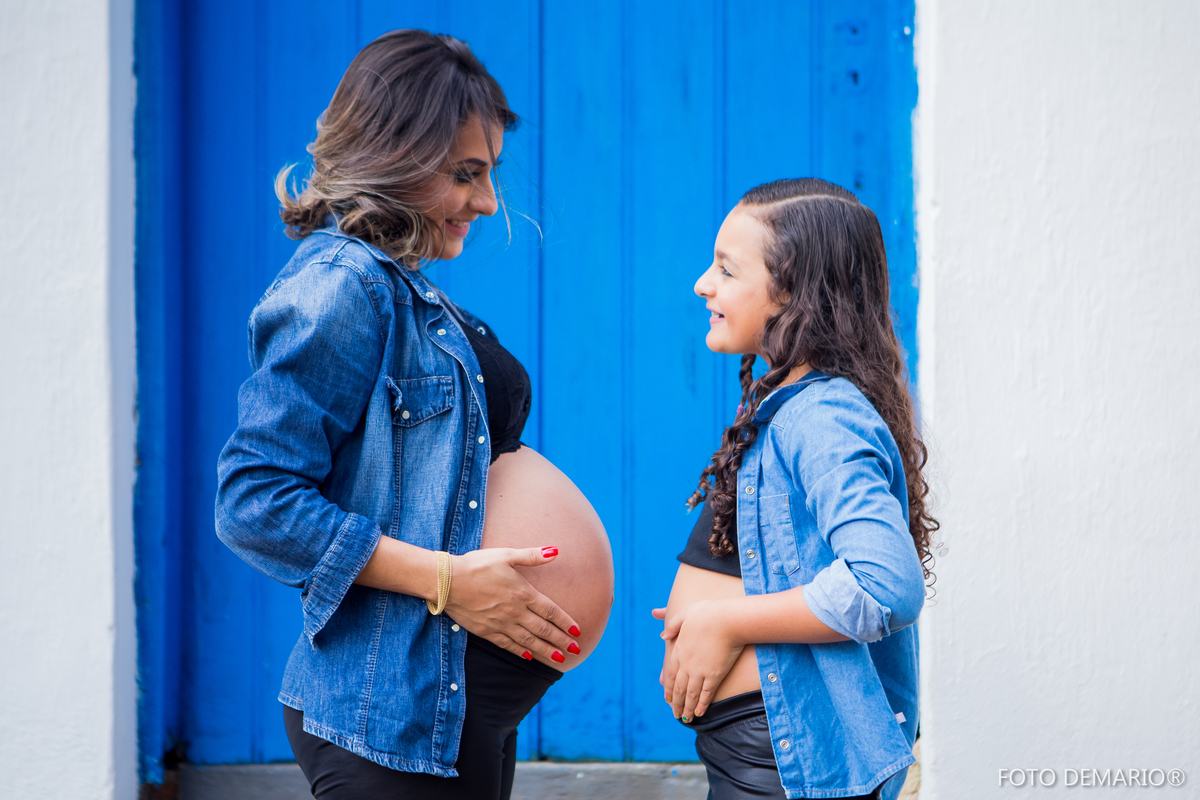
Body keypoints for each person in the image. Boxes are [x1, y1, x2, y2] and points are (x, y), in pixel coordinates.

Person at [215, 30, 613, 800]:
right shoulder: (341, 287)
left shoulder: (401, 285)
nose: (488, 202)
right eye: (466, 174)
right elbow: (253, 502)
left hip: (446, 706)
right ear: (392, 154)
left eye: (489, 173)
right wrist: (445, 580)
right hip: (393, 720)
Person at [653, 179, 937, 800]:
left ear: (792, 292)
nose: (702, 284)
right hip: (760, 754)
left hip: (784, 765)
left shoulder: (822, 416)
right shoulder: (791, 406)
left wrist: (727, 620)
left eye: (727, 270)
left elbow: (884, 584)